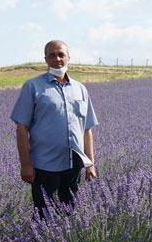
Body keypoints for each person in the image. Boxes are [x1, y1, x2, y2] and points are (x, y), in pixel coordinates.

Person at [10, 40, 98, 218]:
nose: (57, 59)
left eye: (61, 54)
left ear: (68, 58)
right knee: (43, 215)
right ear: (46, 59)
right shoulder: (33, 86)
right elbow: (21, 128)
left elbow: (87, 129)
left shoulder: (80, 89)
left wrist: (91, 164)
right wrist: (25, 165)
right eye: (52, 55)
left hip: (73, 163)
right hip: (44, 165)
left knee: (69, 213)